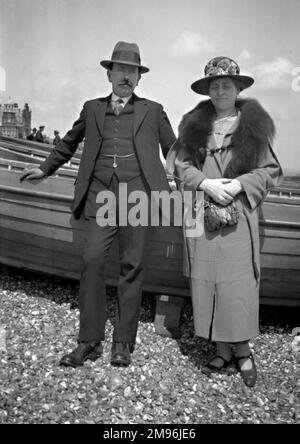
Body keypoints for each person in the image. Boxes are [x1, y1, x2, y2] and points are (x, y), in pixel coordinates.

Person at [20, 41, 176, 368]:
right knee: (91, 260)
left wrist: (203, 179)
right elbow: (70, 141)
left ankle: (122, 342)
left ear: (139, 77)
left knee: (132, 266)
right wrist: (45, 167)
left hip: (139, 196)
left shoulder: (154, 110)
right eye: (120, 69)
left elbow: (175, 151)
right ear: (109, 73)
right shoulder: (92, 108)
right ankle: (89, 340)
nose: (126, 76)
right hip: (100, 195)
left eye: (132, 71)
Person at [167, 56, 282, 387]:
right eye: (214, 86)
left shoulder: (253, 128)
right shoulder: (192, 128)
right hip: (202, 214)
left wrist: (238, 184)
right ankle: (220, 347)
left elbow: (269, 171)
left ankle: (243, 351)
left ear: (238, 88)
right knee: (207, 279)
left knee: (238, 282)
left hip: (238, 215)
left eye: (226, 85)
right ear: (207, 91)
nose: (220, 91)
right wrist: (204, 184)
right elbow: (180, 166)